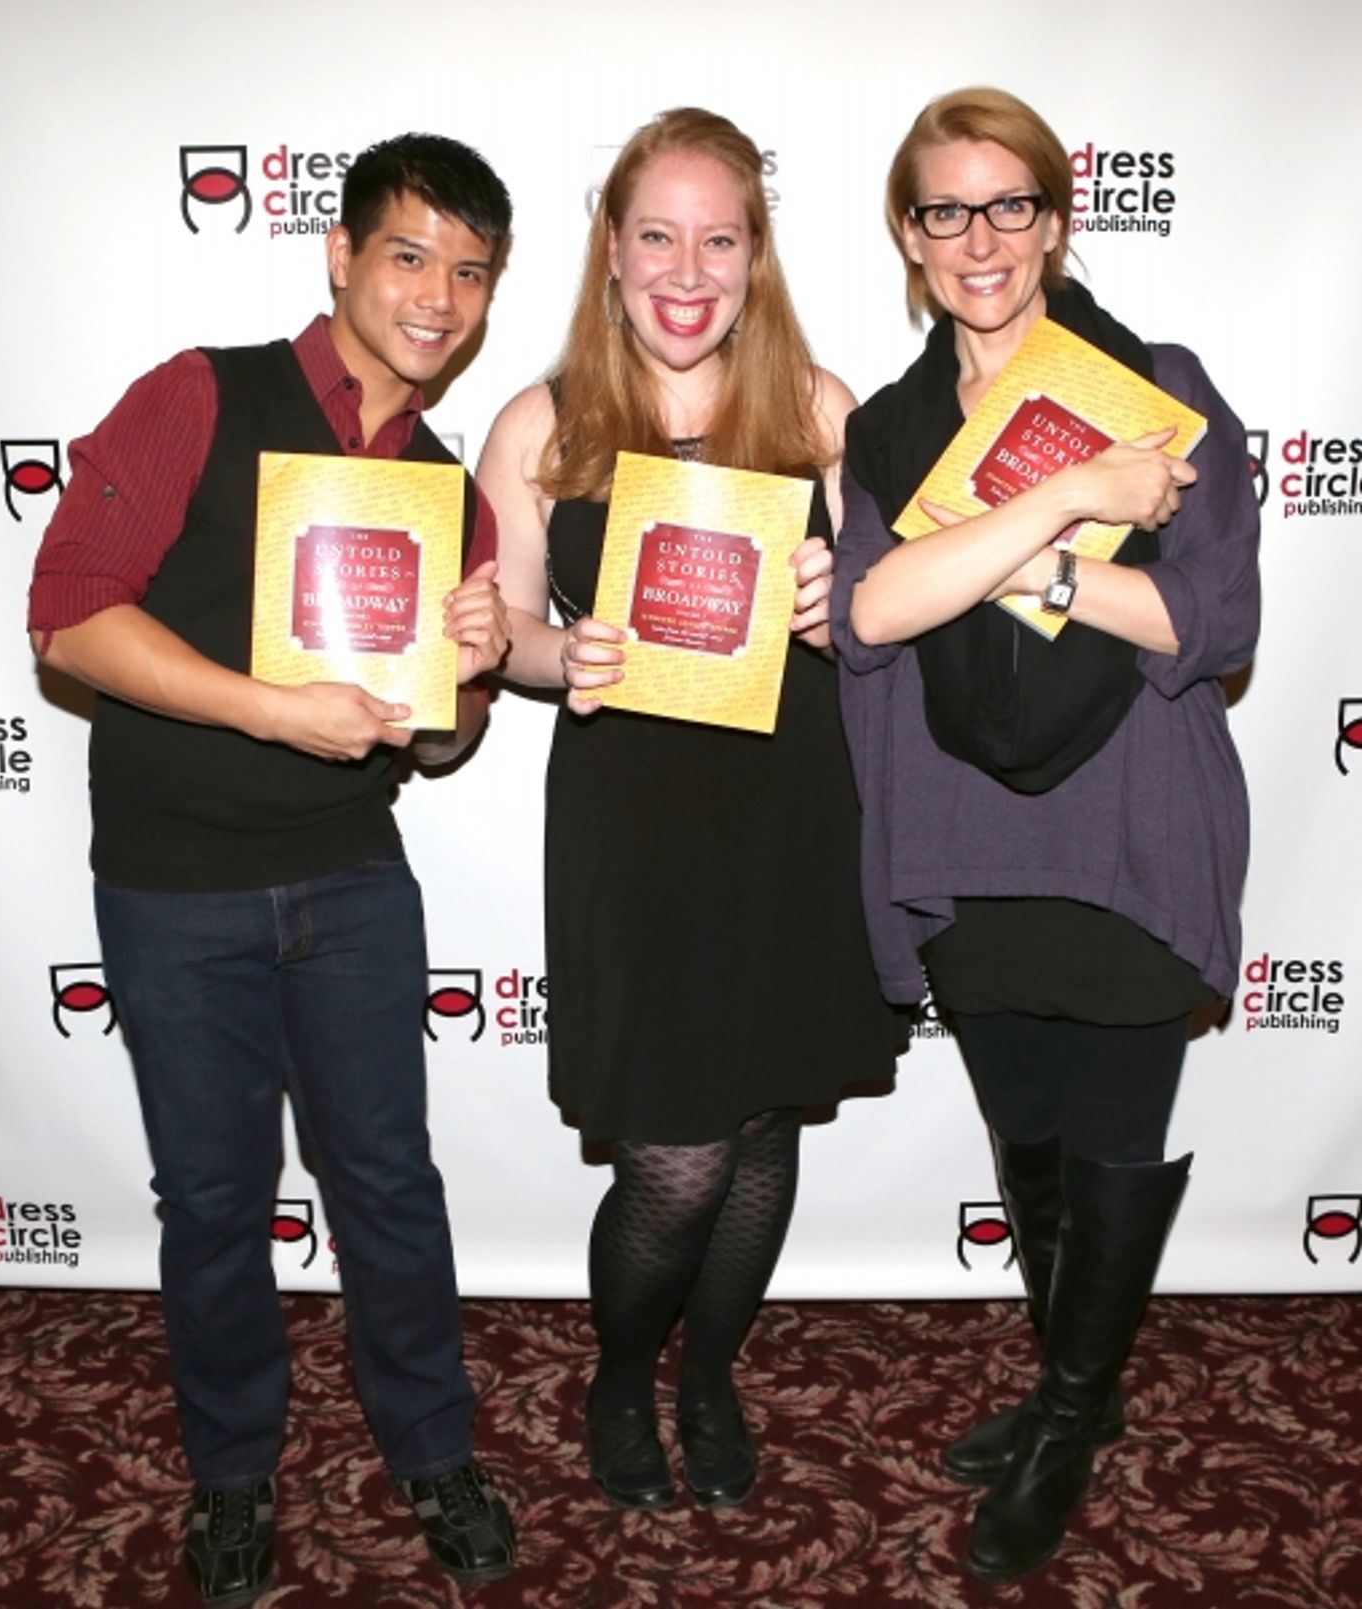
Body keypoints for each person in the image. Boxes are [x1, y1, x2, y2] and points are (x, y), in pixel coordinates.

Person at [27, 134, 519, 1605]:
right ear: (342, 255)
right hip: (176, 889)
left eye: (471, 272)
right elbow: (67, 619)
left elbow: (432, 743)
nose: (439, 296)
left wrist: (475, 675)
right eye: (411, 255)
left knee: (388, 1183)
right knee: (213, 1197)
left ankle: (432, 1443)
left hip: (355, 880)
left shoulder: (442, 486)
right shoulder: (202, 392)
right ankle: (234, 1470)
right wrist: (271, 706)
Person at [830, 87, 1259, 1582]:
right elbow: (879, 612)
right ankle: (1071, 1377)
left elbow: (1209, 617)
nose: (981, 239)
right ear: (909, 236)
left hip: (1131, 829)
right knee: (1029, 1140)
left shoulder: (1158, 386)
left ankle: (1072, 1412)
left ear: (1057, 220)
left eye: (1010, 204)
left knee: (1115, 1140)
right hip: (965, 839)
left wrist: (1027, 573)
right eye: (945, 210)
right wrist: (1078, 503)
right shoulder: (887, 432)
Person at [477, 108, 905, 1512]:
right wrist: (567, 658)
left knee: (766, 1132)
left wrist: (842, 614)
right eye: (657, 233)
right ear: (611, 251)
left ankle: (710, 1372)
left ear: (757, 257)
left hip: (790, 819)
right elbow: (507, 634)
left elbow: (892, 622)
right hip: (634, 830)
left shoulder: (824, 411)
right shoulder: (541, 422)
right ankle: (621, 1372)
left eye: (720, 237)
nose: (687, 268)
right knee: (677, 1156)